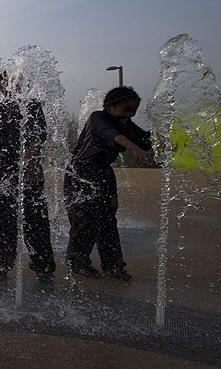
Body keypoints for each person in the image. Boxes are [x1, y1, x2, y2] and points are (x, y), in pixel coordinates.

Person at [0, 72, 56, 285]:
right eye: (11, 83)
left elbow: (39, 136)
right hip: (0, 175)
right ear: (1, 87)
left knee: (35, 221)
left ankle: (43, 268)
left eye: (20, 83)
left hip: (29, 174)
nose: (16, 86)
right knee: (1, 222)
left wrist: (31, 154)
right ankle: (2, 265)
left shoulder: (33, 108)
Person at [64, 86, 155, 281]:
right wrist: (135, 149)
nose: (129, 115)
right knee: (85, 219)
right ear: (109, 106)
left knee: (107, 220)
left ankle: (113, 265)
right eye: (126, 109)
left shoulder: (126, 123)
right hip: (80, 173)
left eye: (134, 111)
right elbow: (113, 136)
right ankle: (78, 261)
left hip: (103, 172)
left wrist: (160, 139)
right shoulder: (98, 118)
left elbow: (145, 139)